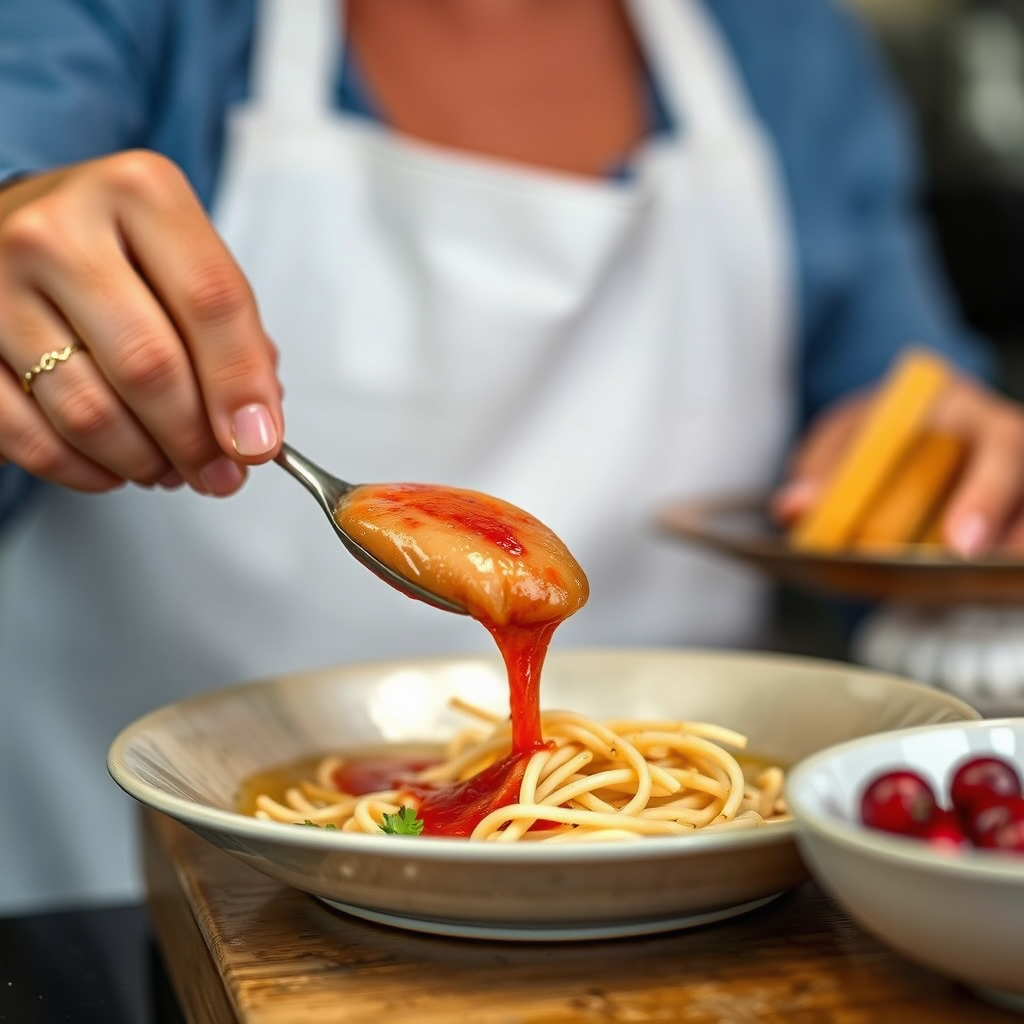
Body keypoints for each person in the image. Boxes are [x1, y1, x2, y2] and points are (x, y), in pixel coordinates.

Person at [0, 0, 1020, 915]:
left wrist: (949, 498)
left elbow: (897, 426)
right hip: (113, 906)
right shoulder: (122, 21)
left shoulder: (788, 43)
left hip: (715, 916)